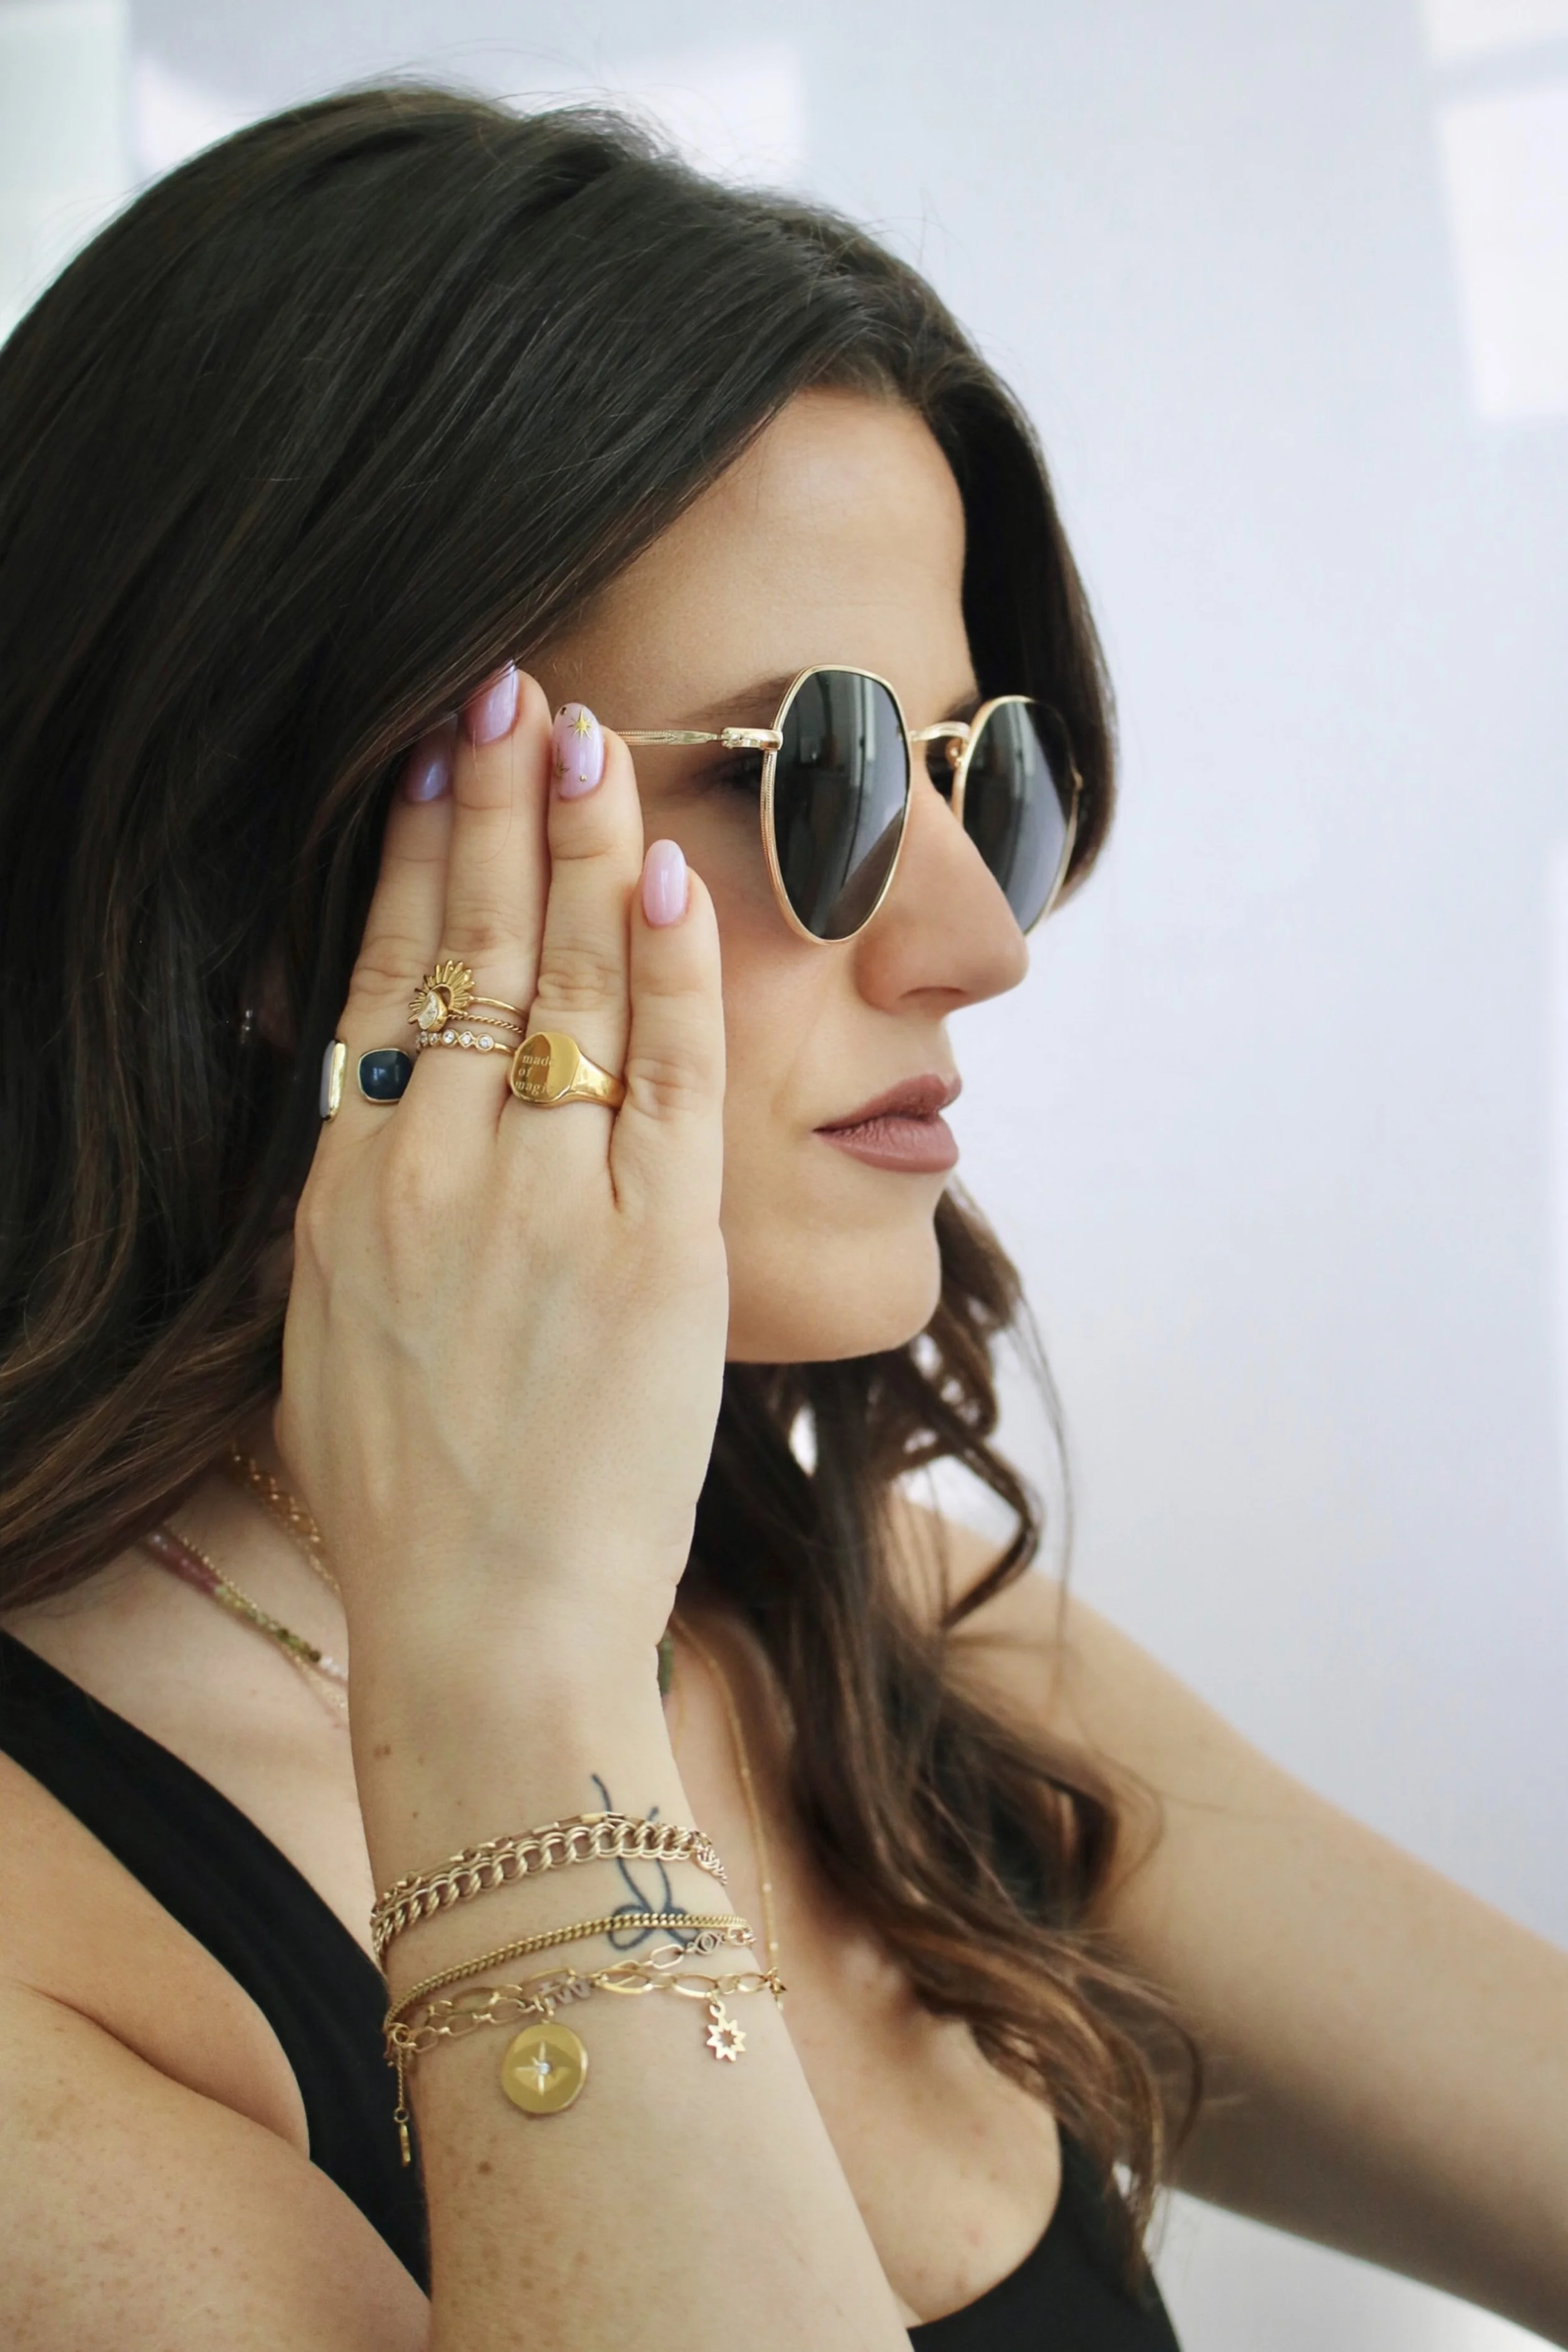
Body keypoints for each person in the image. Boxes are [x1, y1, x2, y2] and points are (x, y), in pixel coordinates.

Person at [0, 85, 1562, 2352]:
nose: (979, 938)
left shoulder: (865, 1627)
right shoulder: (51, 1973)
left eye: (976, 776)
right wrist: (512, 1694)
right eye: (805, 774)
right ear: (270, 888)